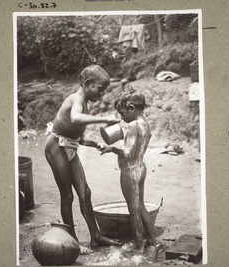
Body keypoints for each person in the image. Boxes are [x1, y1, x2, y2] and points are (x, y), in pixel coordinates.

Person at [44, 65, 121, 254]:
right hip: (56, 147)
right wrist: (104, 119)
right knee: (68, 196)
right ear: (87, 84)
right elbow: (76, 118)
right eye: (99, 89)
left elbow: (75, 136)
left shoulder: (83, 101)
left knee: (85, 193)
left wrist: (95, 144)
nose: (101, 94)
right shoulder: (76, 99)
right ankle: (72, 241)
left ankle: (96, 236)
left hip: (69, 146)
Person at [100, 86, 157, 254]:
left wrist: (111, 149)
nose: (122, 118)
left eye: (123, 113)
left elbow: (127, 153)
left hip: (130, 171)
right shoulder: (145, 124)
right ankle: (152, 241)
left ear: (132, 108)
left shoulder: (132, 125)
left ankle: (139, 246)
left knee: (133, 211)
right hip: (141, 167)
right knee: (141, 207)